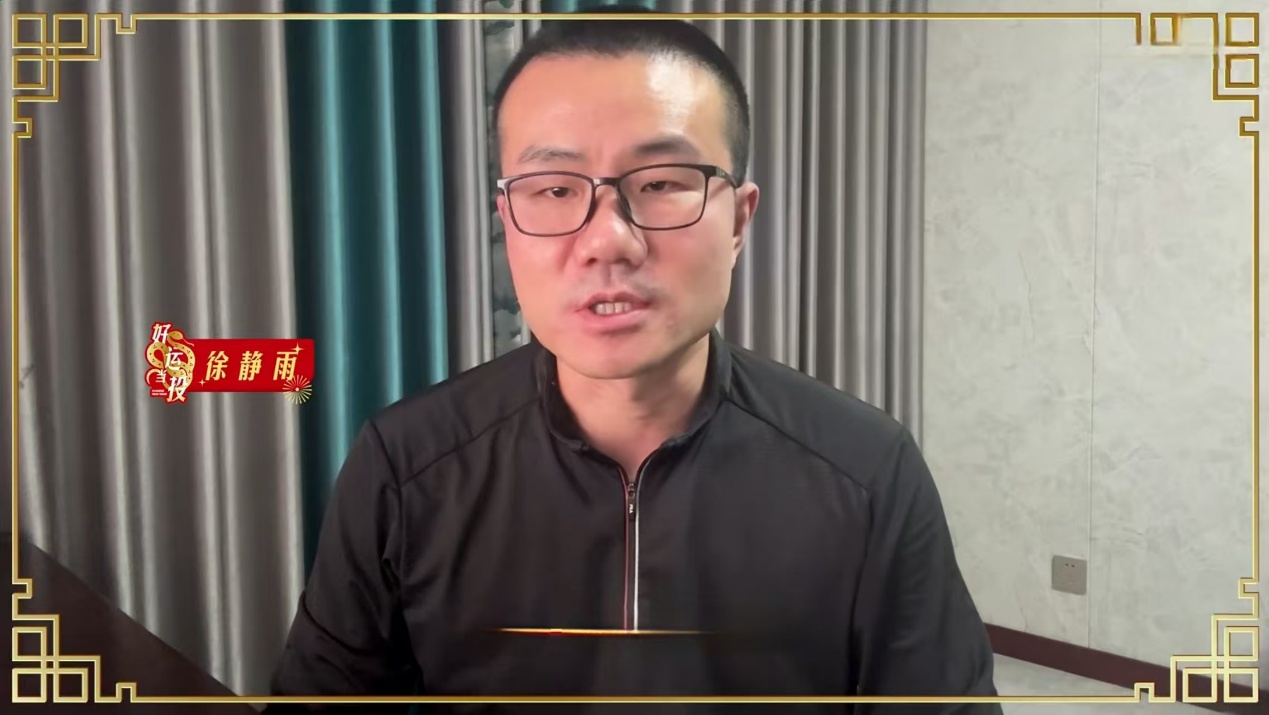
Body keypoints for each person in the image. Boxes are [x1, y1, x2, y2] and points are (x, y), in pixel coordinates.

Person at [268, 8, 1001, 714]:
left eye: (659, 184)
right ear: (506, 224)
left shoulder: (868, 471)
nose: (606, 241)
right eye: (555, 190)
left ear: (740, 220)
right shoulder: (406, 465)